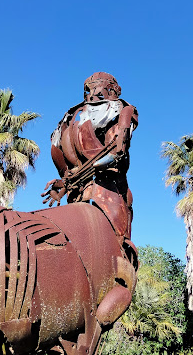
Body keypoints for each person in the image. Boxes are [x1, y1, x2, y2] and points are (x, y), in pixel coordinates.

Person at [42, 72, 138, 248]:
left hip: (78, 195)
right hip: (108, 193)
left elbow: (60, 155)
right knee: (116, 248)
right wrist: (66, 182)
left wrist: (66, 182)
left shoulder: (69, 117)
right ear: (113, 89)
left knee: (81, 245)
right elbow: (117, 152)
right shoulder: (122, 109)